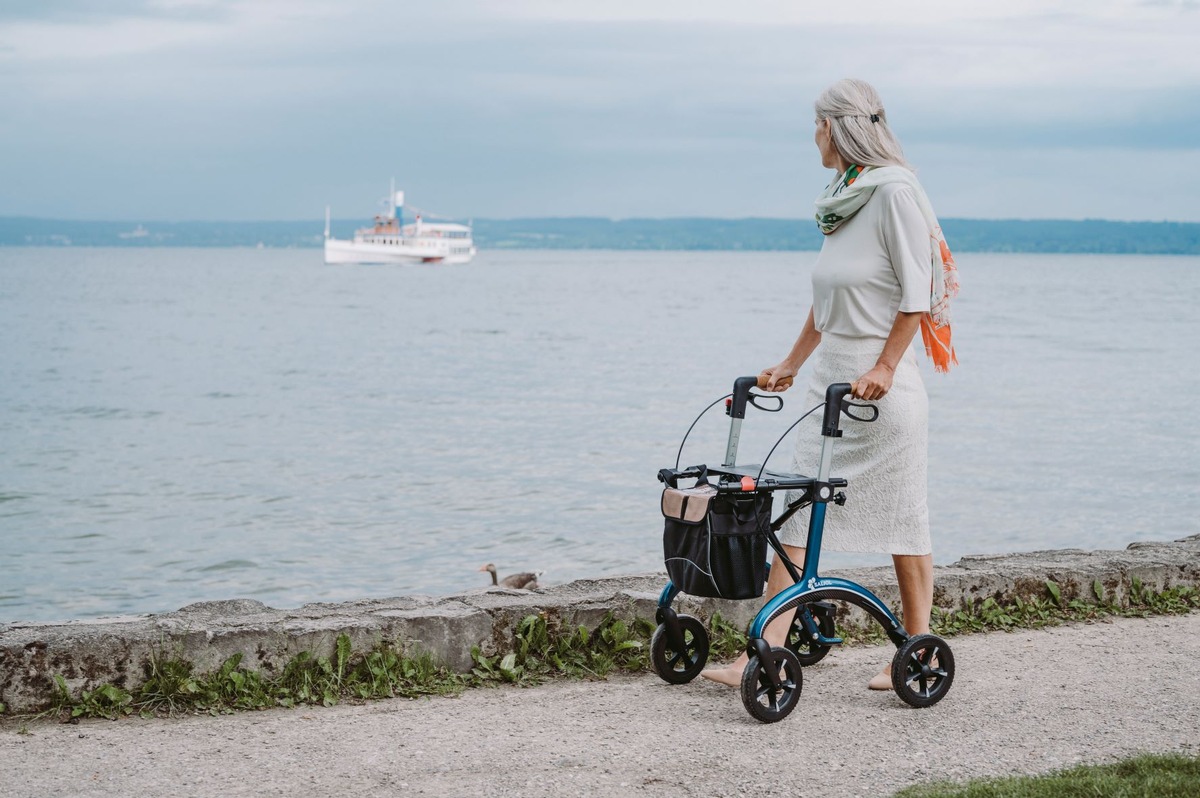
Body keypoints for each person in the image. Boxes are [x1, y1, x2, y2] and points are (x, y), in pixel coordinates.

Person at [701, 77, 959, 692]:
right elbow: (827, 304)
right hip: (828, 387)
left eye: (817, 125)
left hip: (879, 393)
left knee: (904, 519)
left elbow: (918, 291)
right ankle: (762, 650)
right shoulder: (844, 197)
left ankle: (916, 647)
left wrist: (886, 367)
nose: (812, 136)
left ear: (838, 128)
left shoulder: (893, 192)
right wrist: (790, 364)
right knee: (793, 517)